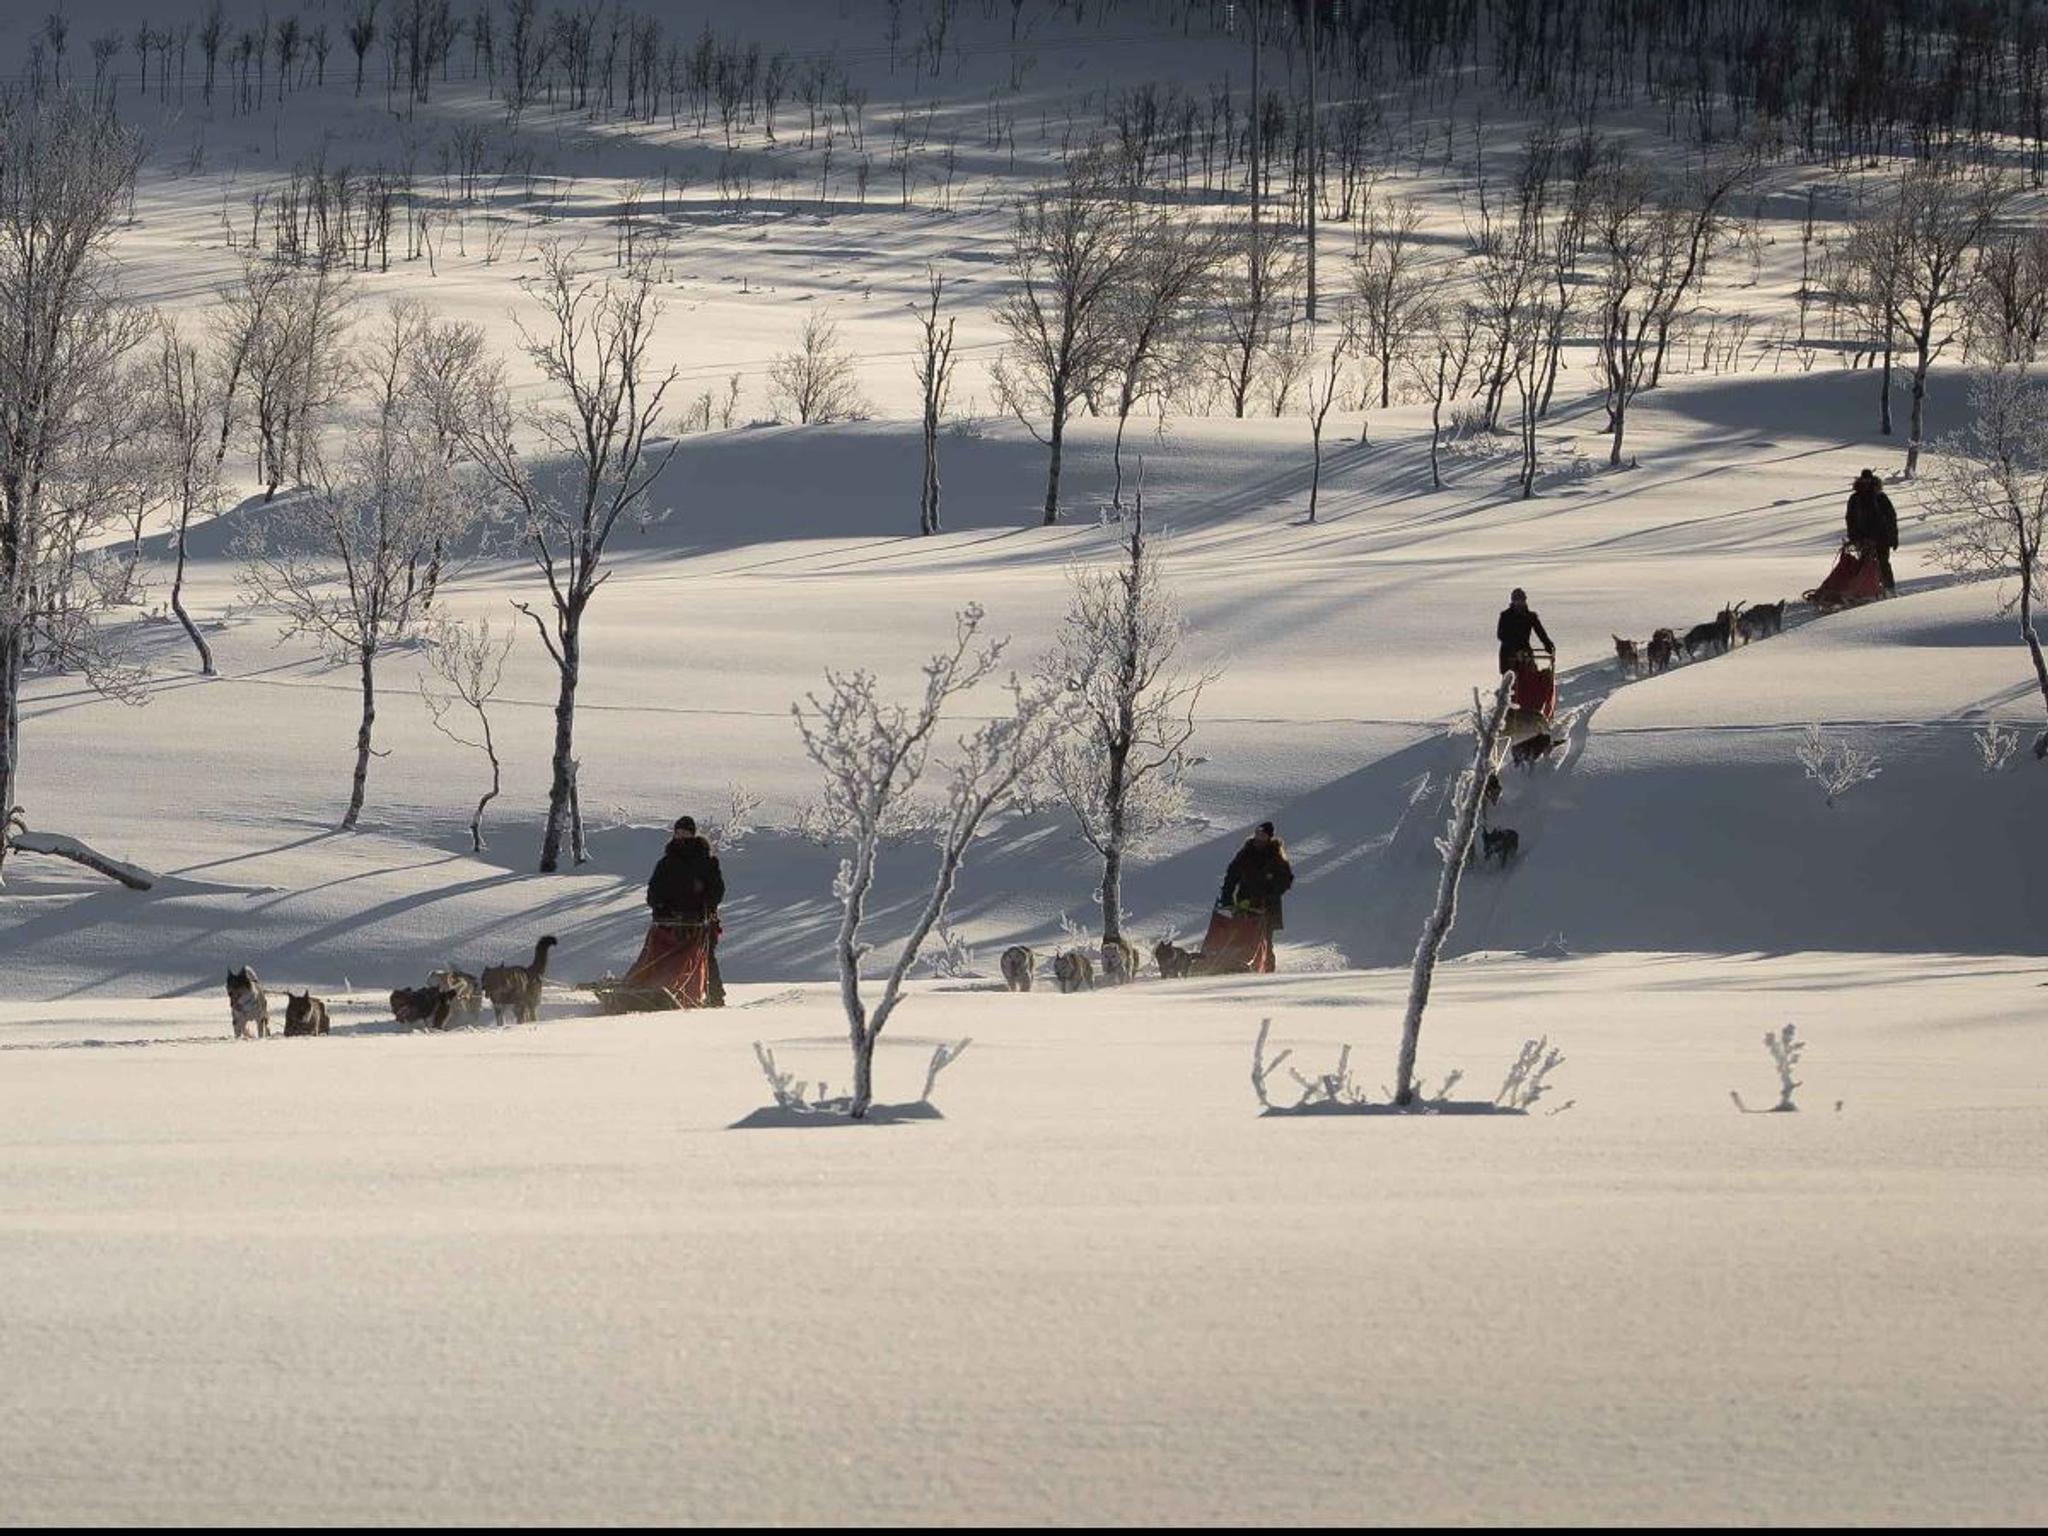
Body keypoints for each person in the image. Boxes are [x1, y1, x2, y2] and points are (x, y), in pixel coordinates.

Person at [646, 816, 726, 1007]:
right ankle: (653, 986)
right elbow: (655, 889)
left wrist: (707, 907)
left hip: (699, 920)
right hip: (669, 920)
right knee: (660, 955)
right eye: (678, 833)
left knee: (705, 957)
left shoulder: (706, 861)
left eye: (685, 833)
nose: (681, 836)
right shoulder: (666, 862)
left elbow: (716, 889)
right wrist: (658, 905)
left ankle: (714, 996)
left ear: (692, 834)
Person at [1217, 821, 1294, 973]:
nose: (1259, 837)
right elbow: (1232, 875)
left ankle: (1267, 970)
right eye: (1258, 833)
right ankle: (1239, 965)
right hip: (1245, 903)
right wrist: (1227, 896)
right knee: (1241, 936)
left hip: (1268, 906)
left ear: (1269, 837)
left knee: (1265, 940)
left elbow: (1286, 879)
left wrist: (1272, 890)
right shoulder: (1245, 853)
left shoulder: (1276, 856)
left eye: (1263, 834)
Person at [1845, 469, 1899, 594]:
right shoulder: (1855, 498)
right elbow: (1850, 519)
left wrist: (1893, 537)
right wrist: (1853, 537)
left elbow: (1891, 518)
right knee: (1865, 565)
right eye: (1864, 480)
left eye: (1868, 480)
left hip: (1882, 537)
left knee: (1883, 563)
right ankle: (1869, 590)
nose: (1866, 483)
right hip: (1863, 538)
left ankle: (1889, 589)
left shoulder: (1880, 497)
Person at [1496, 588, 1555, 677]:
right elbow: (1501, 635)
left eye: (1521, 600)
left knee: (1530, 675)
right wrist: (1515, 648)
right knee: (1511, 679)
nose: (1519, 602)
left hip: (1525, 651)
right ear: (1513, 601)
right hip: (1508, 652)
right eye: (1516, 600)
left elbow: (1540, 632)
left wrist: (1547, 644)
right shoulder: (1505, 616)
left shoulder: (1530, 616)